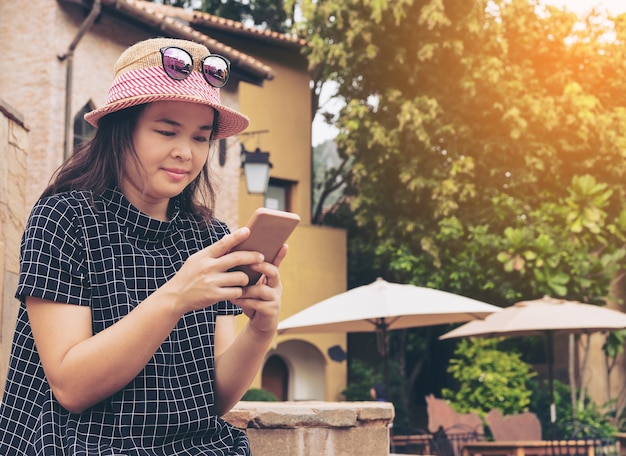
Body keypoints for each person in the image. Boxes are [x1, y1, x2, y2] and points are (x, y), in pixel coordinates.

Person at [0, 37, 287, 455]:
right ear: (122, 129)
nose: (184, 153)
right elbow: (71, 386)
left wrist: (262, 329)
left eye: (200, 138)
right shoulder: (64, 218)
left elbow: (214, 399)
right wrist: (175, 297)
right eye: (166, 130)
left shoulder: (208, 238)